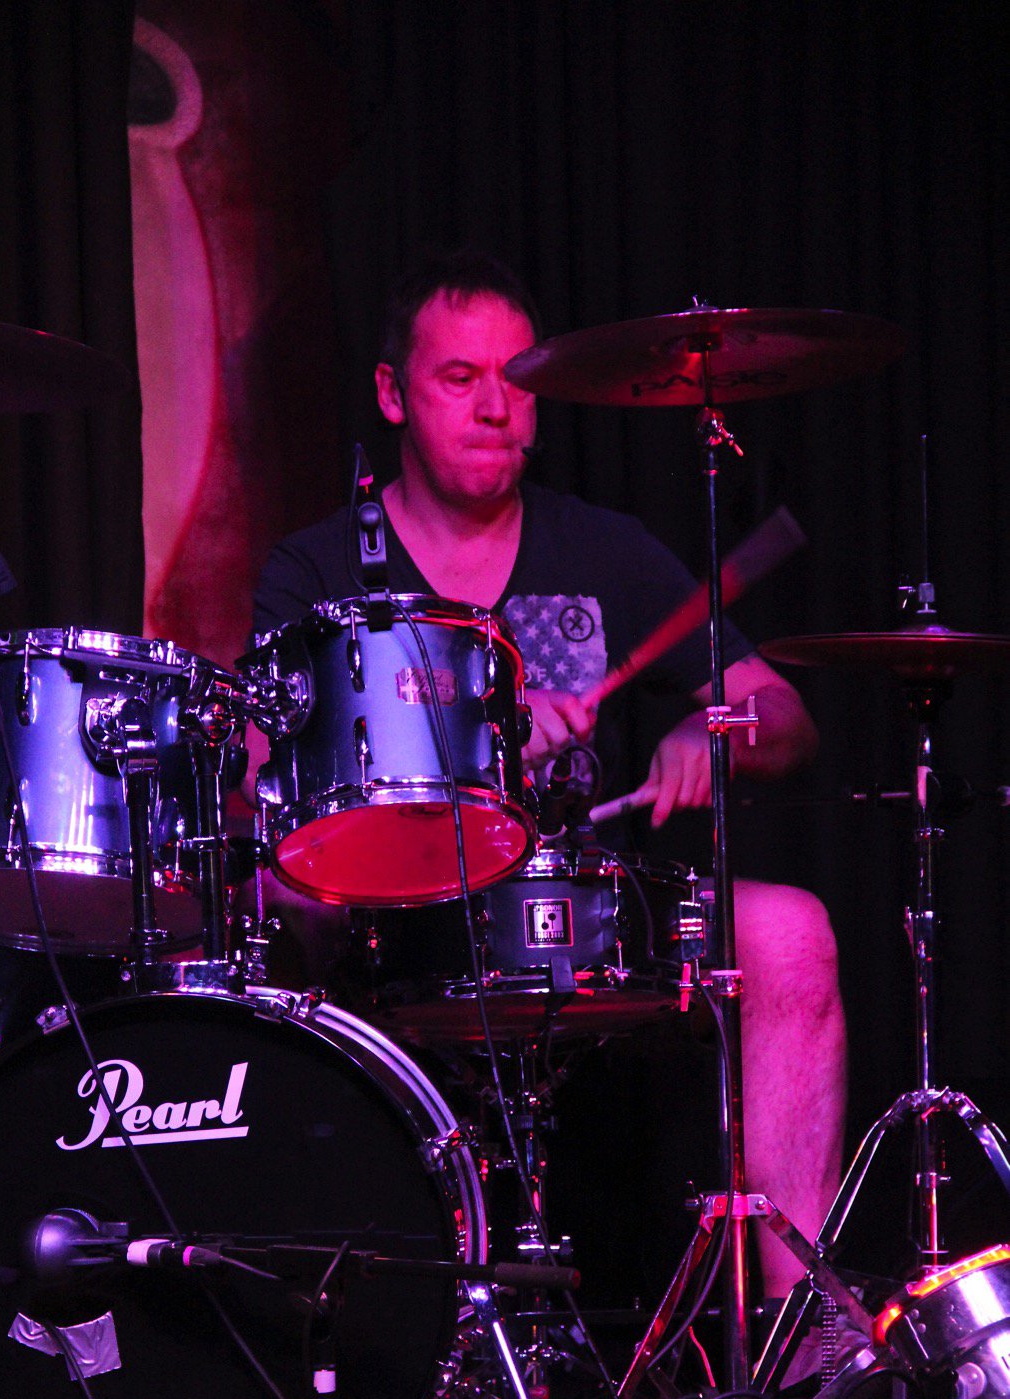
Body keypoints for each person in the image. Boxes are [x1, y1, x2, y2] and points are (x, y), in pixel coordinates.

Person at [251, 253, 847, 1310]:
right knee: (275, 903)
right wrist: (474, 750)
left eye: (516, 380)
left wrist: (709, 733)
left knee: (790, 932)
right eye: (458, 378)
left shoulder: (603, 551)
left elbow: (785, 715)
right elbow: (262, 785)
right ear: (392, 393)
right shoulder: (319, 569)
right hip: (396, 921)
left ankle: (803, 1331)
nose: (495, 408)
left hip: (583, 916)